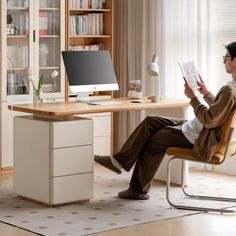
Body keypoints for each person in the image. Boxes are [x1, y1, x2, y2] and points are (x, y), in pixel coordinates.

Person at [95, 41, 236, 200]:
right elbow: (221, 112)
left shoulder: (230, 90)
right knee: (150, 121)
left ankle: (137, 190)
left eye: (226, 58)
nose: (224, 61)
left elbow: (210, 120)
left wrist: (193, 98)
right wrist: (206, 93)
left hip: (199, 136)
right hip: (195, 128)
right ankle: (118, 161)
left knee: (155, 139)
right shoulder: (232, 88)